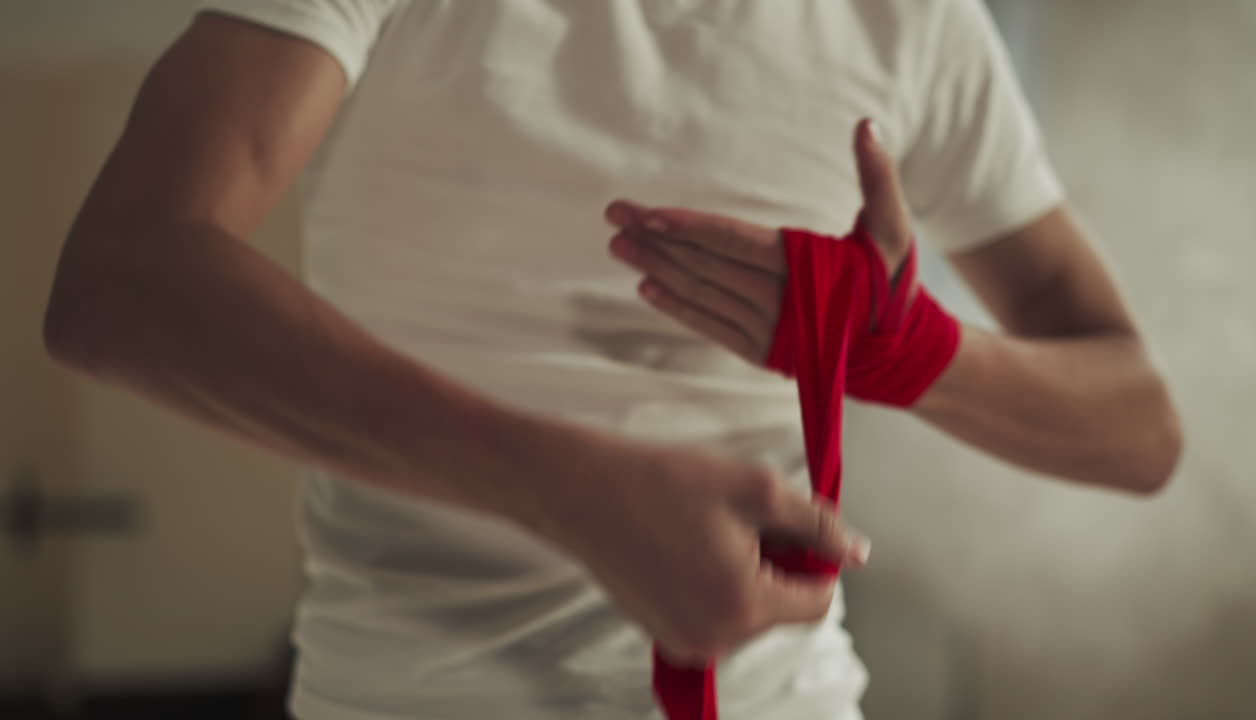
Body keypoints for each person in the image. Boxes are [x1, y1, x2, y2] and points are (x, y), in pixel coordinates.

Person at [42, 1, 1182, 718]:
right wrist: (564, 486)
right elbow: (124, 276)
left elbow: (1138, 431)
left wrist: (901, 348)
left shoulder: (919, 24)